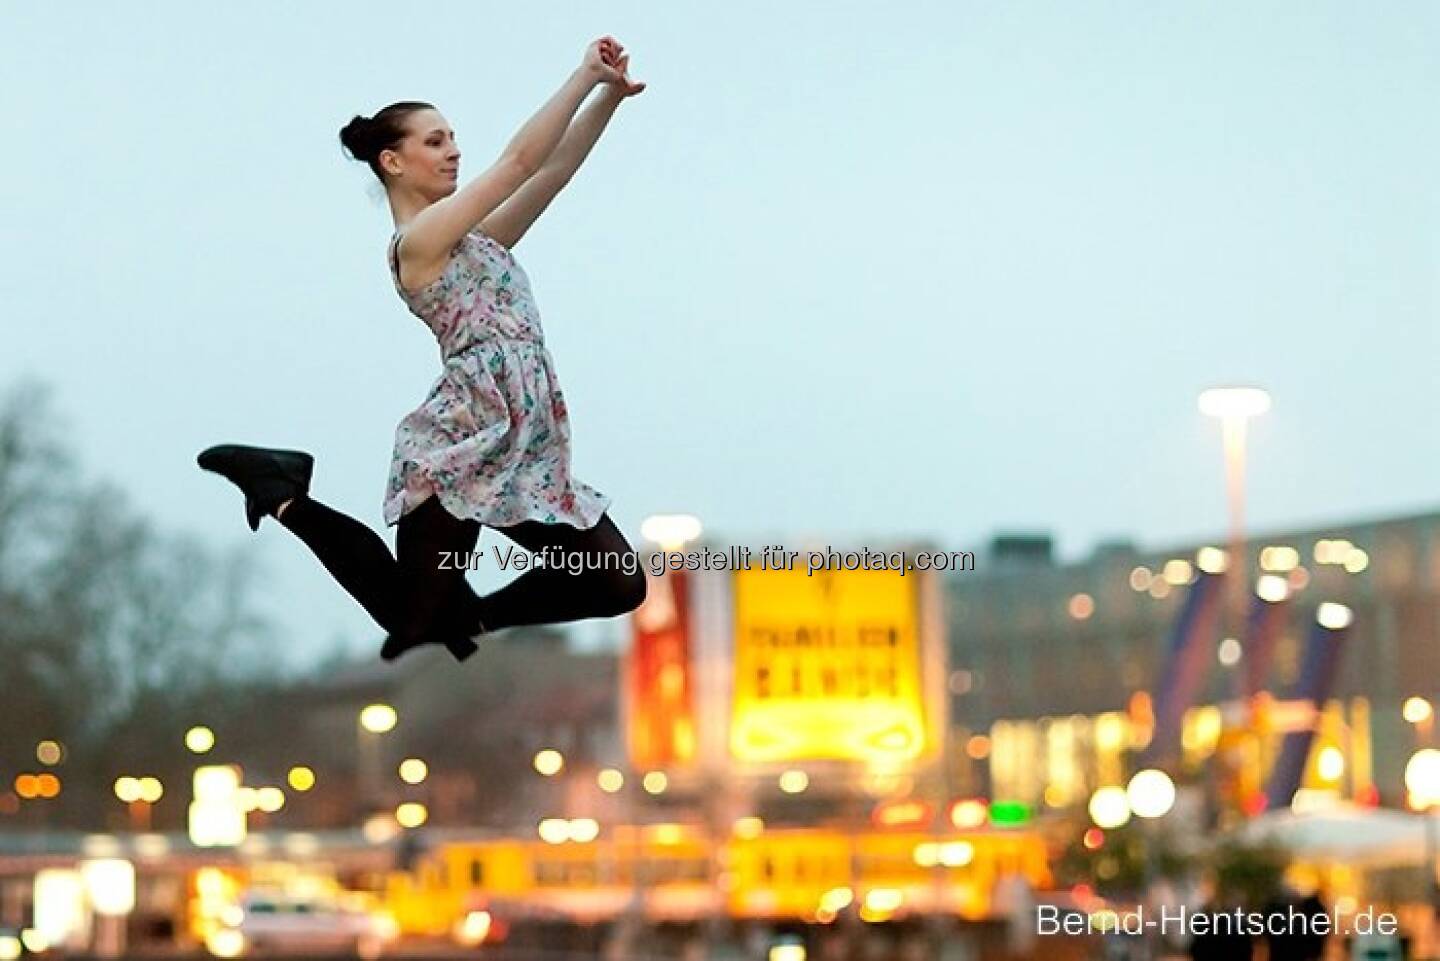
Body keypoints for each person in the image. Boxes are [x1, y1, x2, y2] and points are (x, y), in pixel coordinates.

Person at [198, 37, 648, 662]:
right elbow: (519, 161)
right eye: (435, 141)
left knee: (615, 581)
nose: (454, 150)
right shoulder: (420, 244)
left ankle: (469, 619)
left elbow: (550, 171)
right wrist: (580, 77)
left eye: (453, 138)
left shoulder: (477, 240)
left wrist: (607, 98)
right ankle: (279, 492)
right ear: (393, 161)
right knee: (411, 613)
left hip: (524, 444)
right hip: (461, 441)